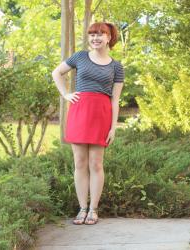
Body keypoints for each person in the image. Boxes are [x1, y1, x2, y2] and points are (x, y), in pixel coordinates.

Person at [52, 22, 124, 225]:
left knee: (96, 163)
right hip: (79, 112)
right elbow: (56, 73)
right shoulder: (80, 57)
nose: (96, 38)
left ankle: (94, 209)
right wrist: (66, 94)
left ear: (109, 37)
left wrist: (113, 127)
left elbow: (115, 100)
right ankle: (82, 208)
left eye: (101, 34)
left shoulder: (116, 66)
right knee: (80, 163)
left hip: (101, 115)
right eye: (92, 34)